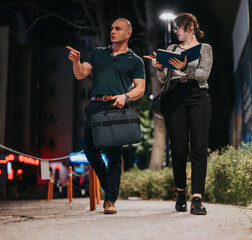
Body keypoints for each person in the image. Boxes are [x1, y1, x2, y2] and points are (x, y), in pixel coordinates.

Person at [67, 18, 145, 214]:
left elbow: (141, 89)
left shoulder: (135, 60)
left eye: (118, 29)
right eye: (111, 28)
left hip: (116, 106)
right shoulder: (98, 53)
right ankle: (109, 184)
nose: (113, 31)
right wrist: (76, 61)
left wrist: (125, 97)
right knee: (90, 151)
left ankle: (110, 200)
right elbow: (80, 74)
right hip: (94, 105)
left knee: (114, 155)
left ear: (128, 33)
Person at [148, 13, 213, 215]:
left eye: (179, 27)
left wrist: (185, 68)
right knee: (177, 149)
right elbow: (163, 78)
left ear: (191, 26)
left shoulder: (205, 48)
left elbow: (204, 74)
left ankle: (197, 199)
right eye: (174, 28)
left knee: (199, 147)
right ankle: (180, 192)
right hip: (175, 96)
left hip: (198, 95)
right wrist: (159, 67)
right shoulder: (171, 50)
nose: (175, 31)